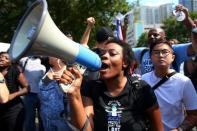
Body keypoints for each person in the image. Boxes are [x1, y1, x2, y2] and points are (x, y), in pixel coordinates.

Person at [60, 38, 164, 131]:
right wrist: (74, 94)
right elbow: (86, 129)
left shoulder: (141, 89)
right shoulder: (90, 87)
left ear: (125, 63)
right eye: (102, 53)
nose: (104, 56)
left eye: (112, 53)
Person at [142, 40, 197, 131]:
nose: (160, 55)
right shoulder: (143, 80)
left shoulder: (184, 82)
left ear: (173, 57)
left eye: (165, 52)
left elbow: (194, 114)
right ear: (151, 58)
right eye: (156, 53)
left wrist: (179, 129)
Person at [132, 5, 197, 75]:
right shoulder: (142, 52)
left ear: (164, 38)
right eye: (149, 35)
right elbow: (123, 50)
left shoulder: (174, 50)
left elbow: (195, 45)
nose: (151, 37)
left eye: (155, 35)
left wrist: (186, 19)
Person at [38, 57, 71, 131]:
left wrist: (65, 83)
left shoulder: (69, 73)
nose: (48, 57)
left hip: (64, 119)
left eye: (51, 55)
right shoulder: (49, 71)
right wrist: (49, 79)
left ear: (58, 58)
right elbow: (41, 89)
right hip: (47, 117)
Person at [0, 51, 29, 131]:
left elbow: (27, 88)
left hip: (13, 110)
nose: (2, 59)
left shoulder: (15, 70)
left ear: (10, 62)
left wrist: (13, 95)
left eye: (6, 58)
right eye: (1, 56)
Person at [20, 56, 46, 131]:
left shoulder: (44, 64)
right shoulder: (24, 59)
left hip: (42, 95)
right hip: (29, 94)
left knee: (42, 117)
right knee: (29, 117)